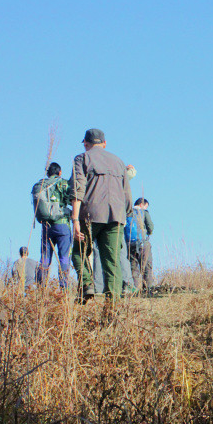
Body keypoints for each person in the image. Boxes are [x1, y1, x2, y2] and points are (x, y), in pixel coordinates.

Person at [69, 128, 133, 304]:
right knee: (112, 263)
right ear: (104, 144)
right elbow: (127, 194)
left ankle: (87, 284)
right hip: (116, 217)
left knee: (78, 253)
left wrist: (75, 219)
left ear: (86, 144)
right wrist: (125, 217)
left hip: (90, 215)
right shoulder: (119, 162)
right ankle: (112, 308)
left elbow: (77, 189)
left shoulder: (82, 158)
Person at [34, 162, 72, 288]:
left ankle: (41, 287)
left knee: (45, 258)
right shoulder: (63, 183)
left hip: (46, 226)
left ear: (47, 173)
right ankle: (64, 287)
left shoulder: (41, 185)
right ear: (60, 172)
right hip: (62, 224)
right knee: (64, 257)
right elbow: (72, 198)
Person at [126, 197, 154, 291]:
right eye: (146, 206)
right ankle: (148, 290)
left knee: (133, 268)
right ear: (142, 205)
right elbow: (150, 227)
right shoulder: (144, 213)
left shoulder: (127, 212)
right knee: (146, 267)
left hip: (129, 244)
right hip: (143, 243)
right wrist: (148, 233)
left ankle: (136, 291)